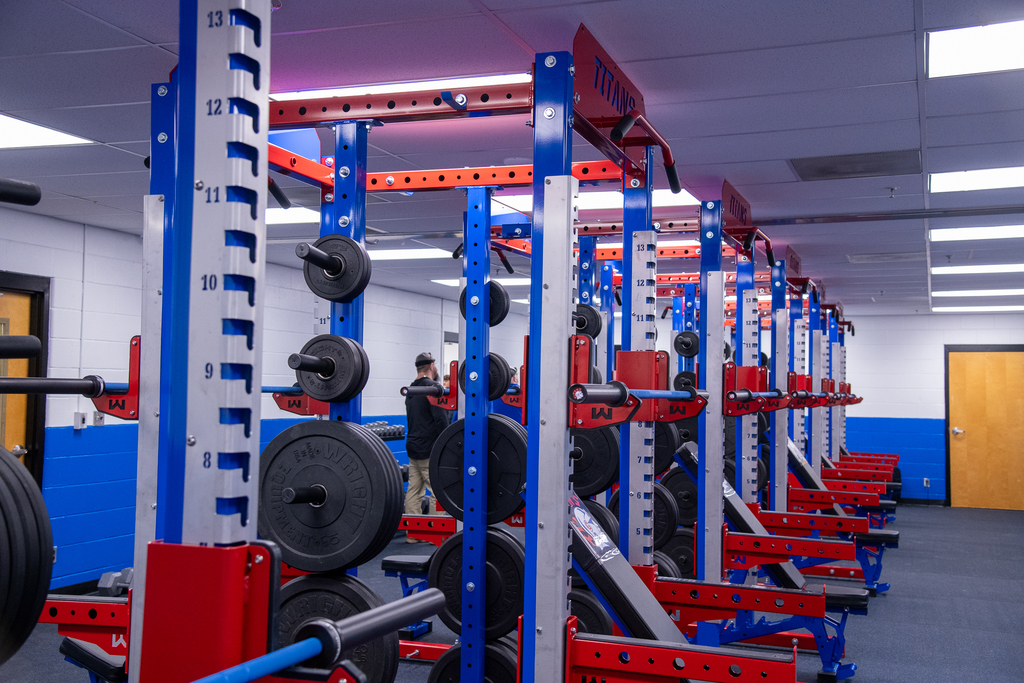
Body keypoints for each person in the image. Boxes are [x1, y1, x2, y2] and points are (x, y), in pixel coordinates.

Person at [404, 352, 449, 539]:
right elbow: (440, 419)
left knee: (414, 490)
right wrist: (448, 442)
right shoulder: (433, 388)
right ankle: (435, 533)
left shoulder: (410, 390)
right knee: (439, 490)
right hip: (429, 449)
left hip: (413, 447)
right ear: (432, 366)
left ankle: (413, 534)